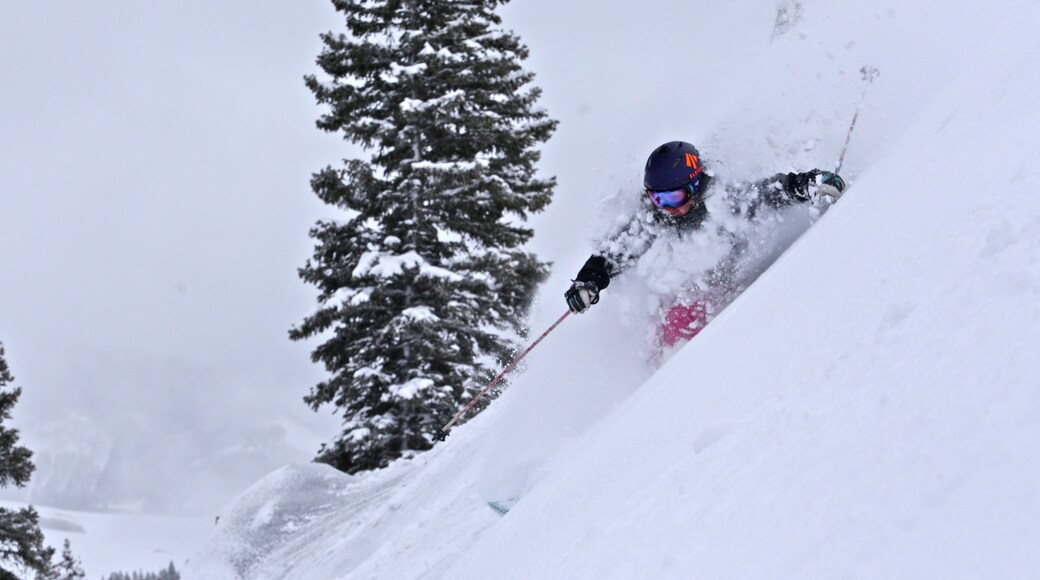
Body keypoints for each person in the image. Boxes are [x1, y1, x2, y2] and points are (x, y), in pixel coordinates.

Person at [564, 140, 846, 346]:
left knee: (681, 321)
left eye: (673, 198)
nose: (665, 208)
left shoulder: (722, 201)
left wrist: (808, 183)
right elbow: (616, 252)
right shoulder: (655, 218)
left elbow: (768, 192)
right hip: (703, 293)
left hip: (740, 282)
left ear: (695, 185)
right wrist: (588, 280)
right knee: (670, 325)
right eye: (657, 199)